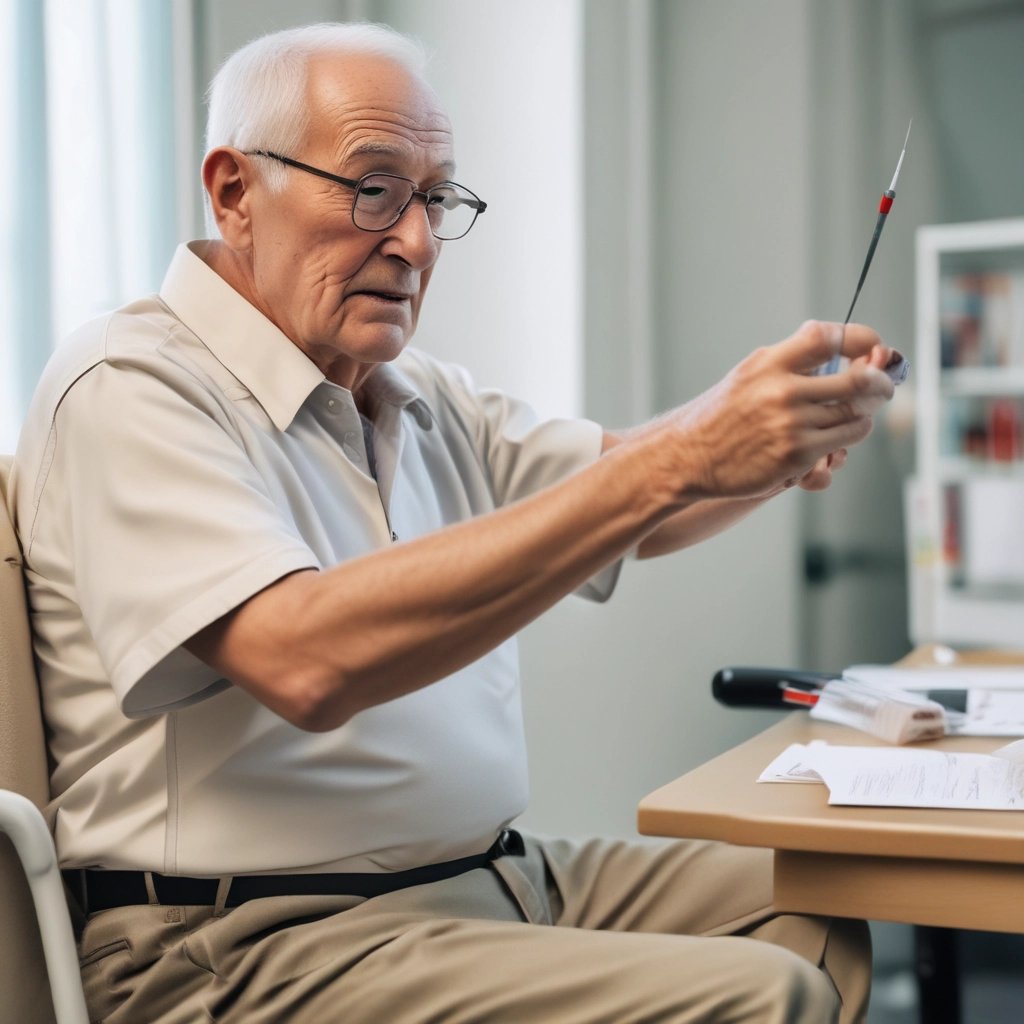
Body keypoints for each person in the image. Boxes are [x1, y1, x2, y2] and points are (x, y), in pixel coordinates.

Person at [9, 21, 900, 1024]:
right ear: (233, 192)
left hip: (477, 875)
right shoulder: (131, 384)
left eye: (436, 198)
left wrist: (774, 443)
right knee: (762, 993)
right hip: (243, 938)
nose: (418, 241)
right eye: (374, 189)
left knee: (818, 911)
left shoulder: (413, 391)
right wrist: (688, 452)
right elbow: (303, 659)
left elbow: (630, 507)